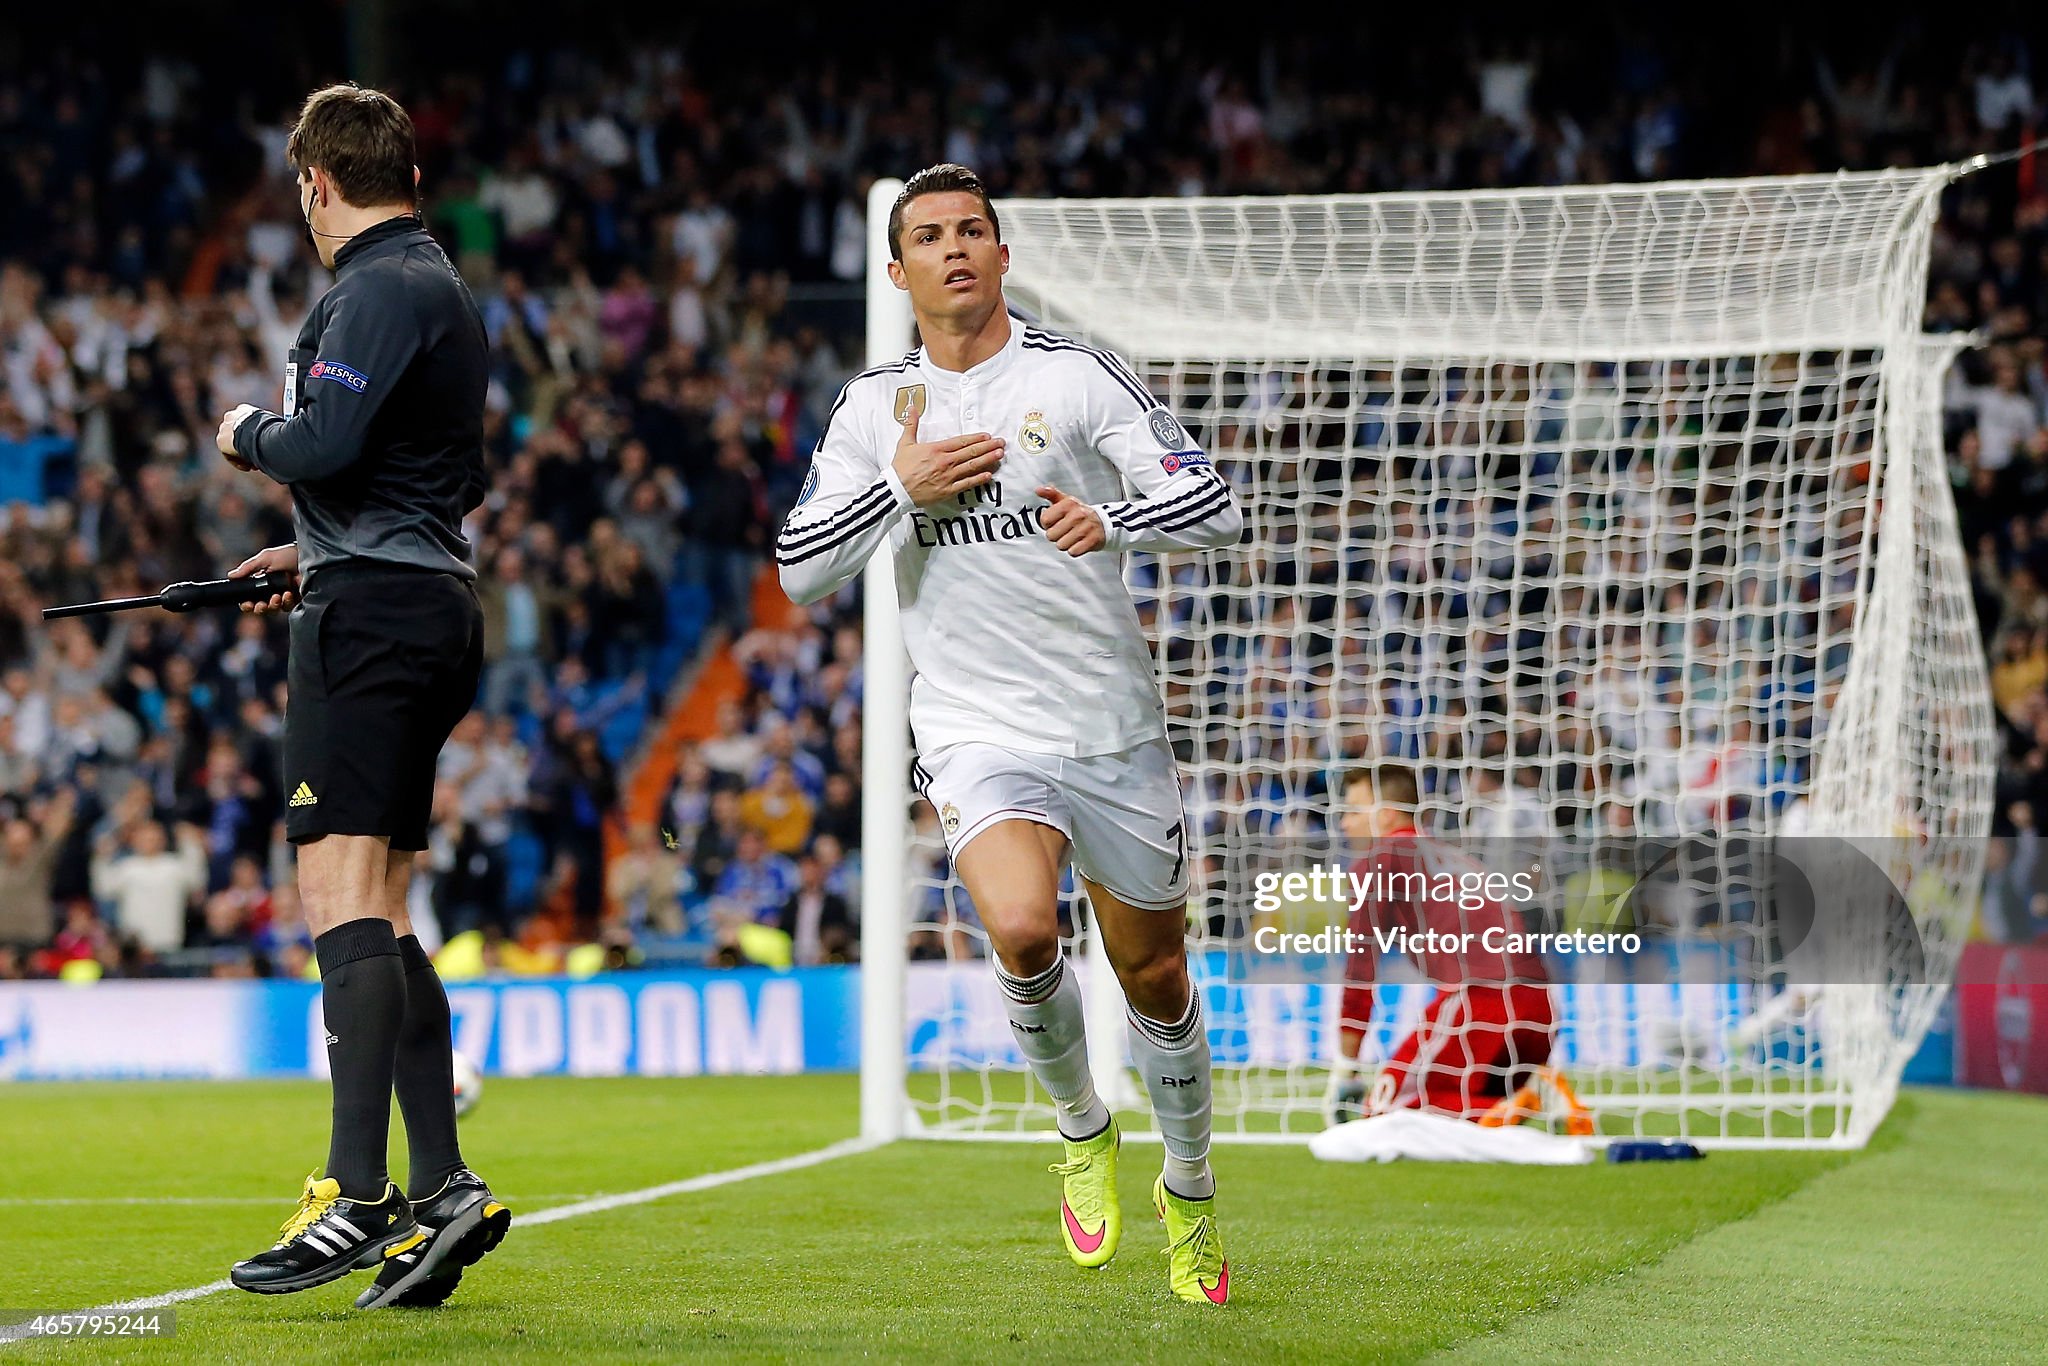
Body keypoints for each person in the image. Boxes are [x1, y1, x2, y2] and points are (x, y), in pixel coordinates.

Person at [776, 164, 1243, 1304]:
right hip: (975, 725)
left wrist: (1114, 518)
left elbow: (1216, 503)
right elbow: (797, 571)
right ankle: (1082, 1126)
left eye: (972, 231)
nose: (954, 249)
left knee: (1154, 974)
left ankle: (1188, 1187)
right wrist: (898, 487)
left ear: (1000, 254)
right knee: (1024, 929)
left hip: (1109, 726)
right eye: (930, 236)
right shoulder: (873, 410)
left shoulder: (1071, 377)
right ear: (898, 272)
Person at [211, 83, 509, 1309]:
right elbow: (442, 480)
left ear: (315, 184)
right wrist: (313, 548)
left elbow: (322, 443)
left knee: (336, 894)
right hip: (420, 600)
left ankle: (355, 1191)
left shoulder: (375, 286)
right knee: (382, 905)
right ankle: (440, 1185)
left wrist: (245, 431)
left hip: (374, 623)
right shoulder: (441, 287)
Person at [1324, 764, 1579, 1130]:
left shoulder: (1377, 861)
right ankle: (1524, 1091)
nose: (1344, 823)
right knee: (1457, 1100)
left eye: (1352, 811)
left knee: (1384, 1108)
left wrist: (1346, 1066)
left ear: (1387, 814)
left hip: (1480, 1002)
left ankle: (1523, 1100)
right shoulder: (1457, 858)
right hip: (1540, 1009)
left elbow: (1360, 972)